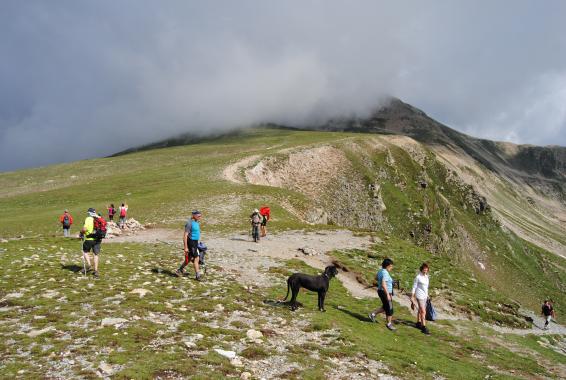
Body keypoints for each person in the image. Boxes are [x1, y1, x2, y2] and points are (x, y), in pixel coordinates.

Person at [369, 258, 396, 331]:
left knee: (385, 307)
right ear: (387, 266)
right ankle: (389, 324)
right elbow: (384, 284)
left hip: (381, 291)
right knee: (390, 308)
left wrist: (390, 282)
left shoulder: (381, 271)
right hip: (385, 292)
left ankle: (373, 314)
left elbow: (376, 278)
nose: (391, 267)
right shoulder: (385, 273)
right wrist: (387, 294)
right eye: (391, 266)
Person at [176, 210, 203, 280]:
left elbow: (196, 232)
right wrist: (185, 247)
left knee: (189, 259)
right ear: (194, 215)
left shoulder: (196, 222)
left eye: (200, 216)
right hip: (191, 242)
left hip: (195, 242)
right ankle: (198, 276)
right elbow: (185, 236)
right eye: (198, 216)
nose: (200, 217)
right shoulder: (189, 223)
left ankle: (179, 270)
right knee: (196, 258)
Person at [80, 208, 104, 278]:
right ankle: (96, 271)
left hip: (89, 239)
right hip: (98, 239)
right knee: (96, 254)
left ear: (89, 213)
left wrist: (81, 233)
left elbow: (85, 229)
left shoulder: (88, 219)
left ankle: (89, 266)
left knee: (85, 251)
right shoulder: (98, 218)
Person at [411, 263, 431, 335]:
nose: (425, 270)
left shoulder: (427, 277)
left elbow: (426, 287)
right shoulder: (418, 277)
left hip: (425, 296)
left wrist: (427, 295)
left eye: (427, 269)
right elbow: (414, 287)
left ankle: (418, 323)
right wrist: (412, 296)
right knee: (423, 311)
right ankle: (424, 327)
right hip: (419, 296)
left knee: (420, 310)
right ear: (421, 269)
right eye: (424, 268)